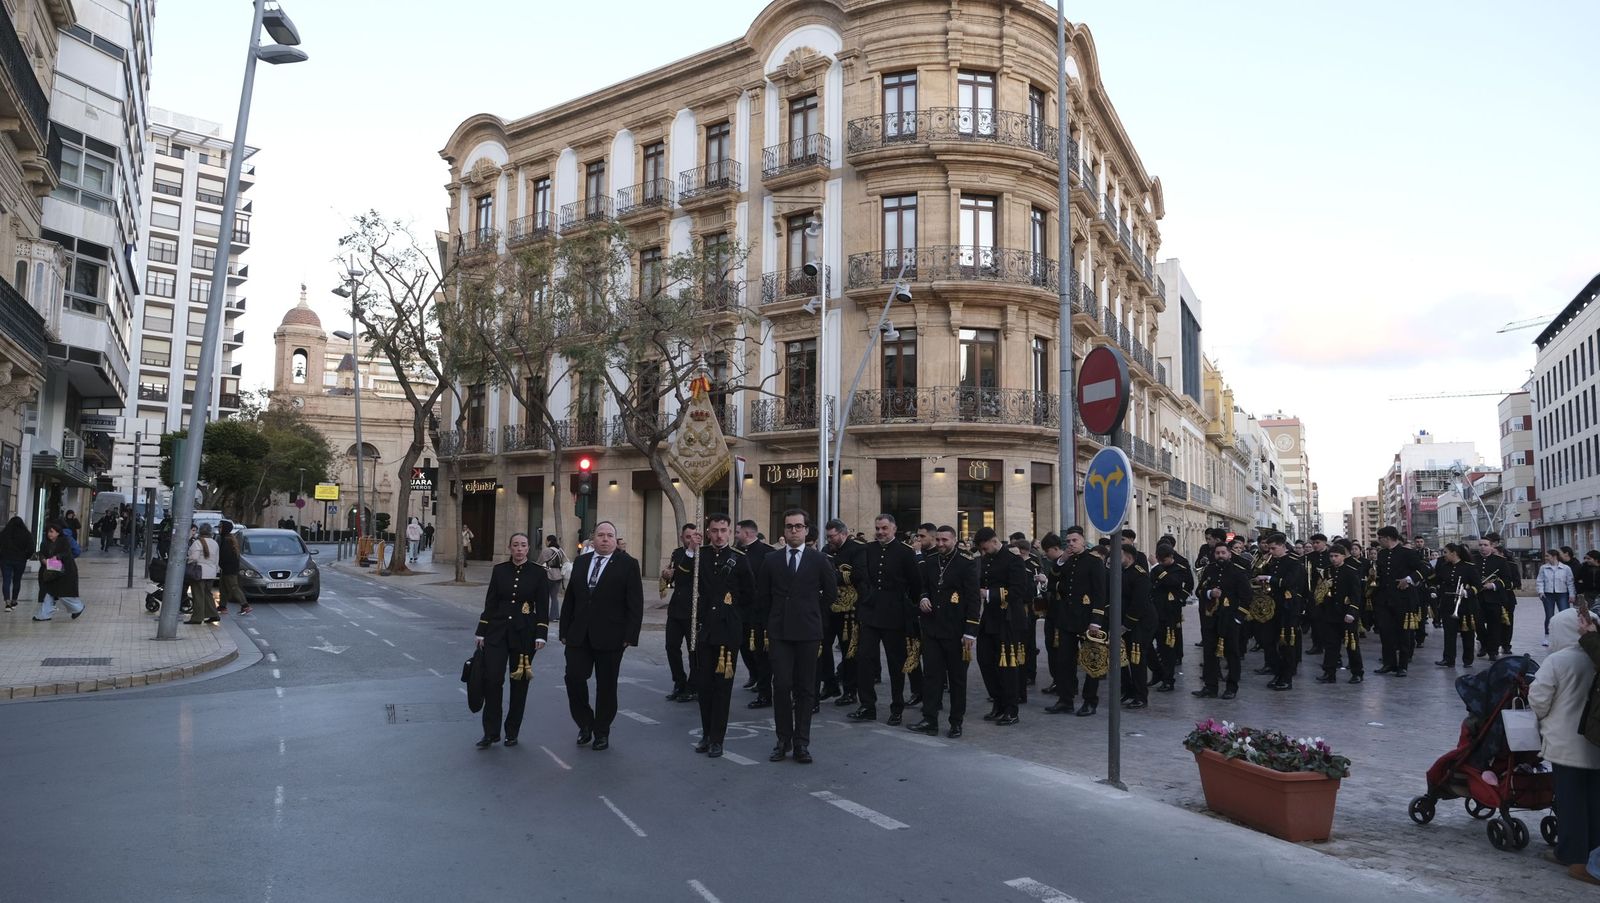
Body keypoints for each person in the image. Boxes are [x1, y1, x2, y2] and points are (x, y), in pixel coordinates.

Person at [754, 508, 837, 764]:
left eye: (798, 526)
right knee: (781, 686)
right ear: (784, 530)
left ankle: (802, 743)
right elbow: (763, 597)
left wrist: (811, 613)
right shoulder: (771, 560)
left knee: (805, 688)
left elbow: (831, 594)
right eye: (789, 526)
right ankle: (783, 740)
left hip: (808, 632)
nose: (793, 531)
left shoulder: (819, 560)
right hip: (779, 632)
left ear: (806, 529)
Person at [559, 521, 642, 752]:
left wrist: (629, 636)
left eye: (610, 535)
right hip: (578, 636)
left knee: (606, 687)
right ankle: (585, 724)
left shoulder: (628, 565)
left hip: (612, 637)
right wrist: (564, 630)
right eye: (601, 535)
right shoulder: (582, 562)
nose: (605, 539)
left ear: (616, 540)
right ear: (593, 539)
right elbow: (571, 599)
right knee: (574, 678)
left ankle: (601, 731)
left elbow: (635, 604)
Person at [1529, 607, 1600, 871]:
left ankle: (1572, 854)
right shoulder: (1594, 657)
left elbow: (1539, 700)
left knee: (1570, 802)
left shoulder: (1558, 661)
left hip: (1565, 743)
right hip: (1595, 743)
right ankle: (1593, 850)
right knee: (1593, 800)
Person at [474, 533, 549, 748]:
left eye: (523, 545)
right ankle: (490, 732)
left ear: (528, 549)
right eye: (515, 545)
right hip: (497, 632)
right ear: (509, 547)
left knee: (519, 684)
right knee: (492, 681)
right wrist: (481, 631)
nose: (519, 549)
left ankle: (512, 732)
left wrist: (541, 634)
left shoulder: (538, 573)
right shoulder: (499, 571)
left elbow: (543, 607)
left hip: (524, 634)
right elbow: (491, 602)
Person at [848, 514, 921, 726]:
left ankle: (896, 707)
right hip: (870, 613)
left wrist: (907, 607)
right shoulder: (868, 549)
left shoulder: (905, 553)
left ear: (894, 529)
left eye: (885, 528)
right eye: (878, 528)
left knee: (895, 663)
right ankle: (867, 706)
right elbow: (861, 576)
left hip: (894, 615)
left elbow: (916, 584)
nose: (880, 532)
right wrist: (866, 596)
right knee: (864, 659)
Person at [907, 524, 979, 738]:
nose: (940, 544)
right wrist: (923, 598)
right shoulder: (930, 562)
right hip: (932, 629)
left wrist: (970, 631)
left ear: (954, 540)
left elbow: (974, 599)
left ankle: (956, 722)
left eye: (944, 540)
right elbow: (924, 586)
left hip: (957, 632)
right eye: (937, 540)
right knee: (931, 677)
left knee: (957, 680)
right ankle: (930, 720)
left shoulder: (966, 563)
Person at [692, 514, 752, 758]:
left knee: (722, 689)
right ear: (708, 532)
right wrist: (689, 549)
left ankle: (718, 739)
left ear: (730, 532)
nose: (718, 535)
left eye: (723, 530)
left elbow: (750, 595)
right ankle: (706, 734)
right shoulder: (700, 556)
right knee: (704, 687)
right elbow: (686, 580)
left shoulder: (739, 560)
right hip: (705, 631)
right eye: (714, 530)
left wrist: (734, 614)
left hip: (727, 633)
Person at [975, 527, 1030, 725]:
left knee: (1007, 666)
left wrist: (989, 594)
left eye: (984, 547)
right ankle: (998, 703)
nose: (983, 552)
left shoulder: (1013, 560)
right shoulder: (987, 560)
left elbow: (1018, 590)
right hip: (990, 619)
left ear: (994, 540)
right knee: (985, 661)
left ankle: (1011, 709)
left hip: (1008, 620)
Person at [1193, 542, 1250, 698]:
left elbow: (1246, 597)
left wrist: (1239, 618)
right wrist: (1210, 593)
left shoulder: (1238, 572)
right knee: (1209, 653)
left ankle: (1231, 687)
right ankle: (1210, 686)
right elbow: (1200, 591)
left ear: (1229, 554)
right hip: (1211, 618)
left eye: (1223, 553)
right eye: (1217, 553)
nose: (1220, 556)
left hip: (1230, 619)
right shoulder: (1209, 570)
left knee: (1232, 653)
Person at [820, 519, 863, 710]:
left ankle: (850, 691)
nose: (829, 540)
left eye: (832, 536)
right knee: (822, 646)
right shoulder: (826, 550)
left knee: (849, 651)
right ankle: (829, 684)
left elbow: (859, 575)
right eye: (828, 536)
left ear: (843, 534)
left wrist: (833, 577)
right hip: (829, 607)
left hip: (850, 609)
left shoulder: (857, 550)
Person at [1371, 526, 1424, 677]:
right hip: (1384, 599)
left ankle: (1403, 665)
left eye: (1380, 538)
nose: (1379, 541)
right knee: (1385, 632)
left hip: (1403, 599)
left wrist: (1409, 579)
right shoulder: (1381, 554)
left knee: (1403, 633)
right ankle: (1389, 663)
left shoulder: (1408, 553)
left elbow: (1424, 569)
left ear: (1387, 538)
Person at [661, 522, 702, 703]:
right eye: (688, 537)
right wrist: (667, 575)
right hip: (676, 608)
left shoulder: (704, 553)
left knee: (694, 650)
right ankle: (679, 682)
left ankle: (694, 686)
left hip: (695, 609)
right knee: (671, 646)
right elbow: (675, 577)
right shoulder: (677, 553)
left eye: (695, 536)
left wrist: (693, 551)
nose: (692, 539)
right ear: (682, 538)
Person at [735, 519, 774, 707]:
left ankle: (765, 690)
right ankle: (755, 675)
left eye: (737, 532)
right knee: (744, 646)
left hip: (762, 612)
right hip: (742, 610)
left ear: (748, 533)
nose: (735, 535)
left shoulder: (768, 553)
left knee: (762, 652)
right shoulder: (738, 552)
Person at [1315, 544, 1364, 683]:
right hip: (1330, 614)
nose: (1333, 559)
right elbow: (1319, 592)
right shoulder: (1326, 571)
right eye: (1331, 556)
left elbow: (1356, 594)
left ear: (1343, 556)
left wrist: (1352, 612)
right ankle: (1329, 672)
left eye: (1336, 556)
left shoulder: (1351, 571)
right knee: (1331, 645)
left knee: (1351, 645)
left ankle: (1357, 672)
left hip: (1346, 613)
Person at [1150, 545, 1193, 692]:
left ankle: (1168, 680)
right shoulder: (1156, 569)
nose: (1161, 562)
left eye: (1164, 560)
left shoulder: (1179, 568)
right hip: (1154, 612)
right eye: (1159, 560)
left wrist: (1156, 566)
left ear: (1171, 556)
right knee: (1147, 645)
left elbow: (1172, 582)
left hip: (1169, 614)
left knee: (1167, 649)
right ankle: (1157, 672)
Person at [1430, 543, 1479, 668]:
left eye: (1445, 552)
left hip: (1465, 604)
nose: (1444, 555)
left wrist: (1467, 592)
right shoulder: (1444, 567)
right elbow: (1436, 580)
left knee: (1467, 633)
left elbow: (1478, 586)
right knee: (1449, 633)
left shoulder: (1469, 567)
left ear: (1454, 553)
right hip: (1448, 603)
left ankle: (1468, 659)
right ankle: (1448, 659)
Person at [32, 521, 84, 621]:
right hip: (50, 571)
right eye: (48, 532)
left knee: (62, 593)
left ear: (58, 532)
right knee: (48, 592)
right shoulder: (45, 542)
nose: (49, 534)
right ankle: (44, 614)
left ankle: (78, 608)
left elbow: (67, 554)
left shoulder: (64, 541)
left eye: (51, 531)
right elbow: (42, 553)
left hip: (64, 570)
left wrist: (56, 557)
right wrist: (43, 559)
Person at [1537, 549, 1575, 647]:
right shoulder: (1543, 568)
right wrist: (1540, 592)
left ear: (1554, 556)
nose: (1545, 558)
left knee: (1564, 615)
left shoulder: (1566, 568)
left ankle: (1565, 637)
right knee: (1549, 615)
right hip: (1548, 594)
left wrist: (1572, 595)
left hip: (1562, 593)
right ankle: (1547, 636)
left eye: (1547, 556)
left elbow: (1570, 582)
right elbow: (1540, 581)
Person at [186, 524, 220, 625]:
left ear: (200, 531)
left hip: (199, 573)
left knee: (198, 595)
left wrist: (188, 559)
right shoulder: (215, 543)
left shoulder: (197, 543)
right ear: (210, 532)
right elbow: (216, 559)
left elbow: (194, 557)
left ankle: (197, 618)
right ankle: (213, 614)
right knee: (207, 594)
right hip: (211, 573)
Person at [217, 521, 251, 616]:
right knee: (223, 588)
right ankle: (222, 606)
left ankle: (245, 605)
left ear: (225, 529)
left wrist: (220, 563)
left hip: (229, 569)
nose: (219, 529)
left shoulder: (227, 540)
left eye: (220, 527)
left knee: (233, 587)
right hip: (227, 568)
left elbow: (225, 556)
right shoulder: (227, 538)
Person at [0, 516, 33, 612]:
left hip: (5, 560)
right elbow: (31, 548)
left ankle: (7, 602)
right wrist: (25, 556)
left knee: (6, 580)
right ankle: (14, 600)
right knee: (17, 581)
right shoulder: (26, 534)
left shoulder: (4, 534)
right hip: (20, 560)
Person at [538, 535, 566, 621]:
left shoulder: (546, 551)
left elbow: (539, 562)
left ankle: (543, 615)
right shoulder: (560, 551)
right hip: (558, 575)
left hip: (548, 575)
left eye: (546, 540)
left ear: (549, 541)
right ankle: (555, 616)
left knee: (544, 595)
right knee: (554, 597)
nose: (545, 542)